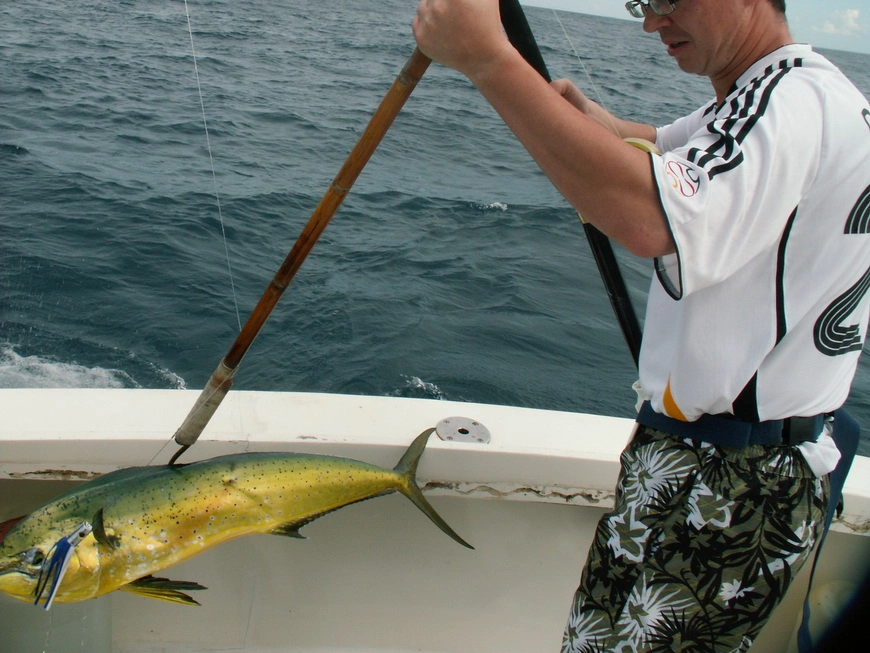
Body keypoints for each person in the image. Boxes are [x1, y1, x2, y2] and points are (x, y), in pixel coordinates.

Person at [413, 0, 870, 651]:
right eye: (642, 3)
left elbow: (651, 216)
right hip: (711, 456)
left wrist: (490, 60)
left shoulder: (787, 104)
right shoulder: (780, 93)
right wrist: (589, 123)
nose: (653, 23)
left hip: (734, 479)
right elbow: (662, 147)